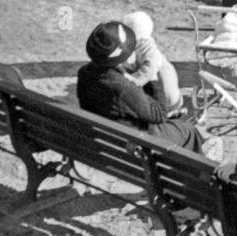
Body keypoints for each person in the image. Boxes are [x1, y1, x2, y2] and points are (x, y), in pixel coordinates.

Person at [76, 21, 206, 154]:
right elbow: (160, 115)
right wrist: (153, 77)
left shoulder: (84, 73)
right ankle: (202, 170)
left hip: (109, 138)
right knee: (188, 131)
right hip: (140, 142)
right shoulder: (122, 87)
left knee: (176, 125)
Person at [122, 9, 183, 114]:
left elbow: (145, 74)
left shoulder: (150, 54)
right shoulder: (143, 45)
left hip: (167, 101)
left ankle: (169, 113)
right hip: (169, 96)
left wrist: (129, 79)